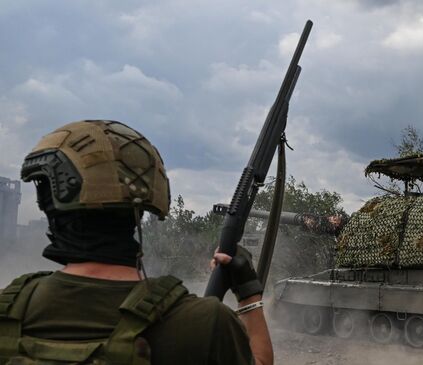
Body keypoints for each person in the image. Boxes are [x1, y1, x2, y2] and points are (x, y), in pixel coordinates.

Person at [0, 120, 273, 365]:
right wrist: (248, 293)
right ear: (145, 201)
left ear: (49, 203)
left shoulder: (9, 310)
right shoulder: (203, 325)